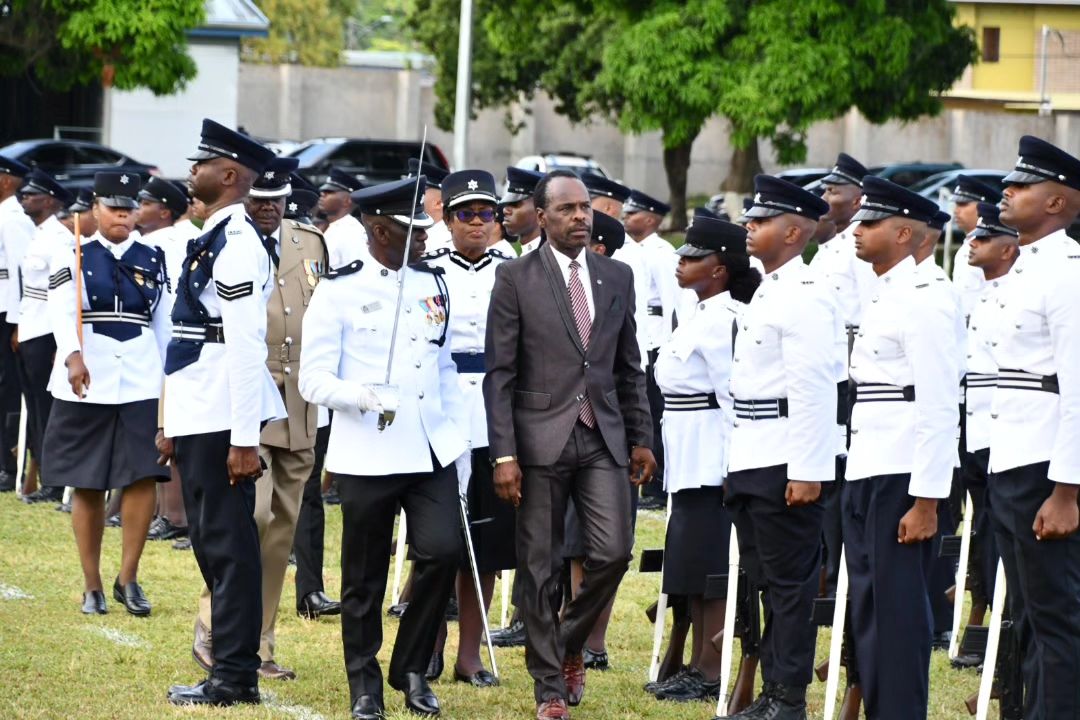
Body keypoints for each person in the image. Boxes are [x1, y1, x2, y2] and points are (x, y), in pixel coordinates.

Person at [483, 169, 655, 720]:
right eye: (567, 209)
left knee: (612, 552)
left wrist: (641, 437)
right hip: (538, 441)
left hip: (602, 436)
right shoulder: (514, 277)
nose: (581, 216)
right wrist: (504, 454)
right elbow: (500, 374)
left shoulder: (617, 275)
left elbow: (628, 365)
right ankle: (549, 688)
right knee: (539, 566)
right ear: (541, 217)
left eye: (585, 208)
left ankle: (568, 642)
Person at [299, 175, 469, 720]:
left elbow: (444, 369)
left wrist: (456, 440)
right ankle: (364, 683)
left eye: (424, 228)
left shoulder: (433, 283)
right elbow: (312, 380)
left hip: (427, 448)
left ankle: (412, 666)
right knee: (364, 577)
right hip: (367, 452)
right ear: (378, 229)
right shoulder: (339, 289)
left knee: (443, 551)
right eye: (411, 230)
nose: (424, 238)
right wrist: (362, 396)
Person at [188, 156, 333, 680]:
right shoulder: (228, 238)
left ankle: (261, 643)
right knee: (251, 517)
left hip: (299, 398)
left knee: (281, 530)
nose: (269, 210)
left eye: (278, 201)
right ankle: (217, 628)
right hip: (248, 394)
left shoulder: (310, 242)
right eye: (260, 201)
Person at [162, 119, 282, 707]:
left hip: (221, 415)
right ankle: (230, 669)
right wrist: (173, 423)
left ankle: (235, 675)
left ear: (229, 175)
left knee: (228, 548)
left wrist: (242, 438)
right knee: (213, 545)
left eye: (202, 164)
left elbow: (243, 345)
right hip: (200, 409)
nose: (192, 171)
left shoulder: (235, 244)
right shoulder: (214, 235)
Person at [717, 175, 842, 720]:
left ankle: (788, 699)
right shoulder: (769, 286)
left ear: (794, 231)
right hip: (751, 452)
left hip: (785, 459)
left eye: (761, 220)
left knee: (789, 586)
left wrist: (808, 470)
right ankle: (772, 691)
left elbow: (815, 388)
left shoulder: (808, 295)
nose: (749, 226)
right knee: (766, 580)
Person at [843, 176, 961, 720]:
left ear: (906, 232)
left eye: (871, 223)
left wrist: (927, 500)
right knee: (868, 608)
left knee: (897, 616)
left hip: (903, 477)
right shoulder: (884, 291)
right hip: (869, 466)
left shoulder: (927, 297)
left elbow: (938, 404)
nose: (857, 231)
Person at [41, 171, 172, 615]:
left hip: (139, 377)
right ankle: (92, 583)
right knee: (88, 478)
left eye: (128, 206)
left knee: (142, 476)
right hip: (87, 378)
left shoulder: (154, 257)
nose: (121, 214)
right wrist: (73, 355)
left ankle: (128, 578)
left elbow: (163, 324)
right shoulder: (73, 253)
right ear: (94, 209)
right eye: (112, 206)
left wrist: (169, 380)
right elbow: (61, 312)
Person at [988, 136, 1080, 719]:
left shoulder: (1068, 274)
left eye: (1022, 185)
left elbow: (1076, 388)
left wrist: (1067, 491)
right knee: (1028, 614)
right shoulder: (1024, 272)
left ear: (1057, 203)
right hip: (1010, 462)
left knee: (1057, 618)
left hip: (1045, 471)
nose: (1007, 191)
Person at [650, 217, 761, 703]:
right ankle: (696, 663)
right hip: (686, 452)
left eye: (693, 256)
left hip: (713, 456)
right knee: (692, 567)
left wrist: (734, 465)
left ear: (719, 268)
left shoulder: (726, 319)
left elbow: (732, 396)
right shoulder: (698, 312)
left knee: (714, 568)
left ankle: (711, 668)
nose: (681, 261)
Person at [423, 169, 513, 688]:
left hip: (496, 411)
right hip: (440, 409)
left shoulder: (516, 268)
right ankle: (429, 642)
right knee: (439, 540)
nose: (476, 223)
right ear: (447, 218)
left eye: (486, 214)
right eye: (465, 214)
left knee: (489, 542)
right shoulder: (428, 270)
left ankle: (470, 654)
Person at [811, 152, 876, 598]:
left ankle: (835, 576)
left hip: (846, 376)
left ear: (858, 200)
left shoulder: (861, 246)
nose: (824, 197)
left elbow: (870, 313)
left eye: (834, 191)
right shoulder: (832, 246)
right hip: (824, 372)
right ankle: (825, 566)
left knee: (837, 477)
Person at [957, 203, 1017, 642]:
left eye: (984, 238)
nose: (972, 244)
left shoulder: (1018, 296)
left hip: (1005, 433)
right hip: (977, 430)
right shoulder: (986, 294)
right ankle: (987, 616)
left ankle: (1000, 621)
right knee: (984, 525)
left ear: (1010, 247)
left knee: (1002, 530)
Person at [284, 171, 341, 620]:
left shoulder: (314, 244)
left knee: (307, 492)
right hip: (261, 383)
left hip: (306, 384)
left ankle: (310, 588)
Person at [15, 169, 74, 503]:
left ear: (49, 200)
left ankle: (54, 482)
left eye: (32, 194)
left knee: (49, 409)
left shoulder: (59, 238)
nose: (25, 197)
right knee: (37, 407)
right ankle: (43, 477)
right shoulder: (39, 234)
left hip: (47, 334)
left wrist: (60, 344)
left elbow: (61, 296)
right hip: (31, 329)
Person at [621, 189, 679, 510]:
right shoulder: (632, 250)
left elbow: (673, 303)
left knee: (656, 415)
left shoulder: (661, 251)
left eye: (633, 213)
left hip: (657, 341)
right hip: (640, 340)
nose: (627, 218)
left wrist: (670, 345)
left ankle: (657, 489)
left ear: (651, 219)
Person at [0, 154, 32, 493]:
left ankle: (10, 467)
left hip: (8, 314)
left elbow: (24, 275)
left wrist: (18, 322)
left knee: (9, 390)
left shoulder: (13, 218)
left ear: (8, 180)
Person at [948, 175, 1001, 320]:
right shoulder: (965, 246)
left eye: (963, 205)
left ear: (984, 207)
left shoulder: (994, 246)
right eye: (956, 205)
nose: (956, 211)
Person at [318, 167, 367, 267]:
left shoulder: (351, 232)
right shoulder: (335, 226)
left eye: (329, 192)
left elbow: (356, 271)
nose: (322, 194)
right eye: (323, 191)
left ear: (347, 200)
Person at [409, 159, 451, 252]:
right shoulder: (413, 232)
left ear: (439, 203)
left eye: (417, 191)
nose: (409, 196)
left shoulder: (446, 241)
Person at [502, 166, 545, 255]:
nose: (505, 210)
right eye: (506, 204)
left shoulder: (548, 256)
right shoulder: (526, 253)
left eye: (515, 204)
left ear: (539, 209)